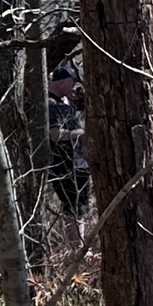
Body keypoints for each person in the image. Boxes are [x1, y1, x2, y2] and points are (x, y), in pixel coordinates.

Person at [47, 59, 90, 213]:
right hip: (64, 164)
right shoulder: (51, 104)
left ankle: (82, 238)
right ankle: (75, 238)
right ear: (62, 82)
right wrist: (81, 133)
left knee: (82, 205)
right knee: (73, 207)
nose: (73, 88)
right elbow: (55, 135)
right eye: (71, 83)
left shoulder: (66, 102)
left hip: (78, 163)